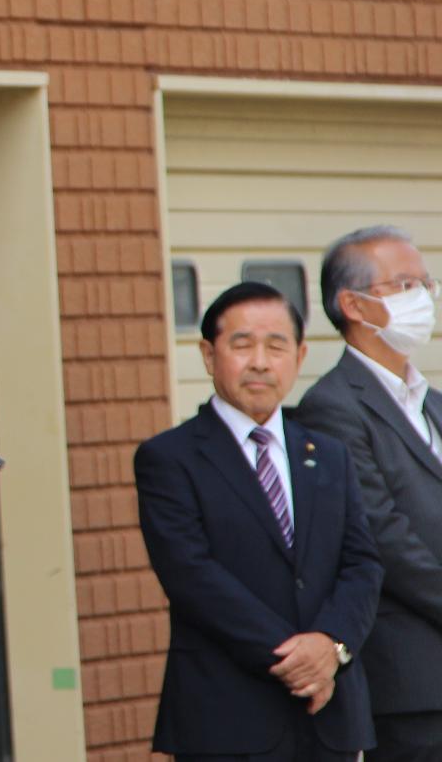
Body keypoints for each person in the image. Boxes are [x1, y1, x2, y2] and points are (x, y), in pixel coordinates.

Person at [134, 280, 381, 761]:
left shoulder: (328, 454)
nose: (261, 362)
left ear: (300, 354)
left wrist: (332, 647)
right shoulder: (170, 458)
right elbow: (191, 576)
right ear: (209, 355)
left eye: (276, 345)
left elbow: (362, 563)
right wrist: (299, 662)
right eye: (241, 345)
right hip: (226, 718)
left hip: (329, 719)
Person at [294, 226, 442, 759]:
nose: (422, 298)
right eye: (405, 284)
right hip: (415, 679)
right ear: (352, 304)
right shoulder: (333, 406)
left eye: (425, 283)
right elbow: (382, 534)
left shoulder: (432, 402)